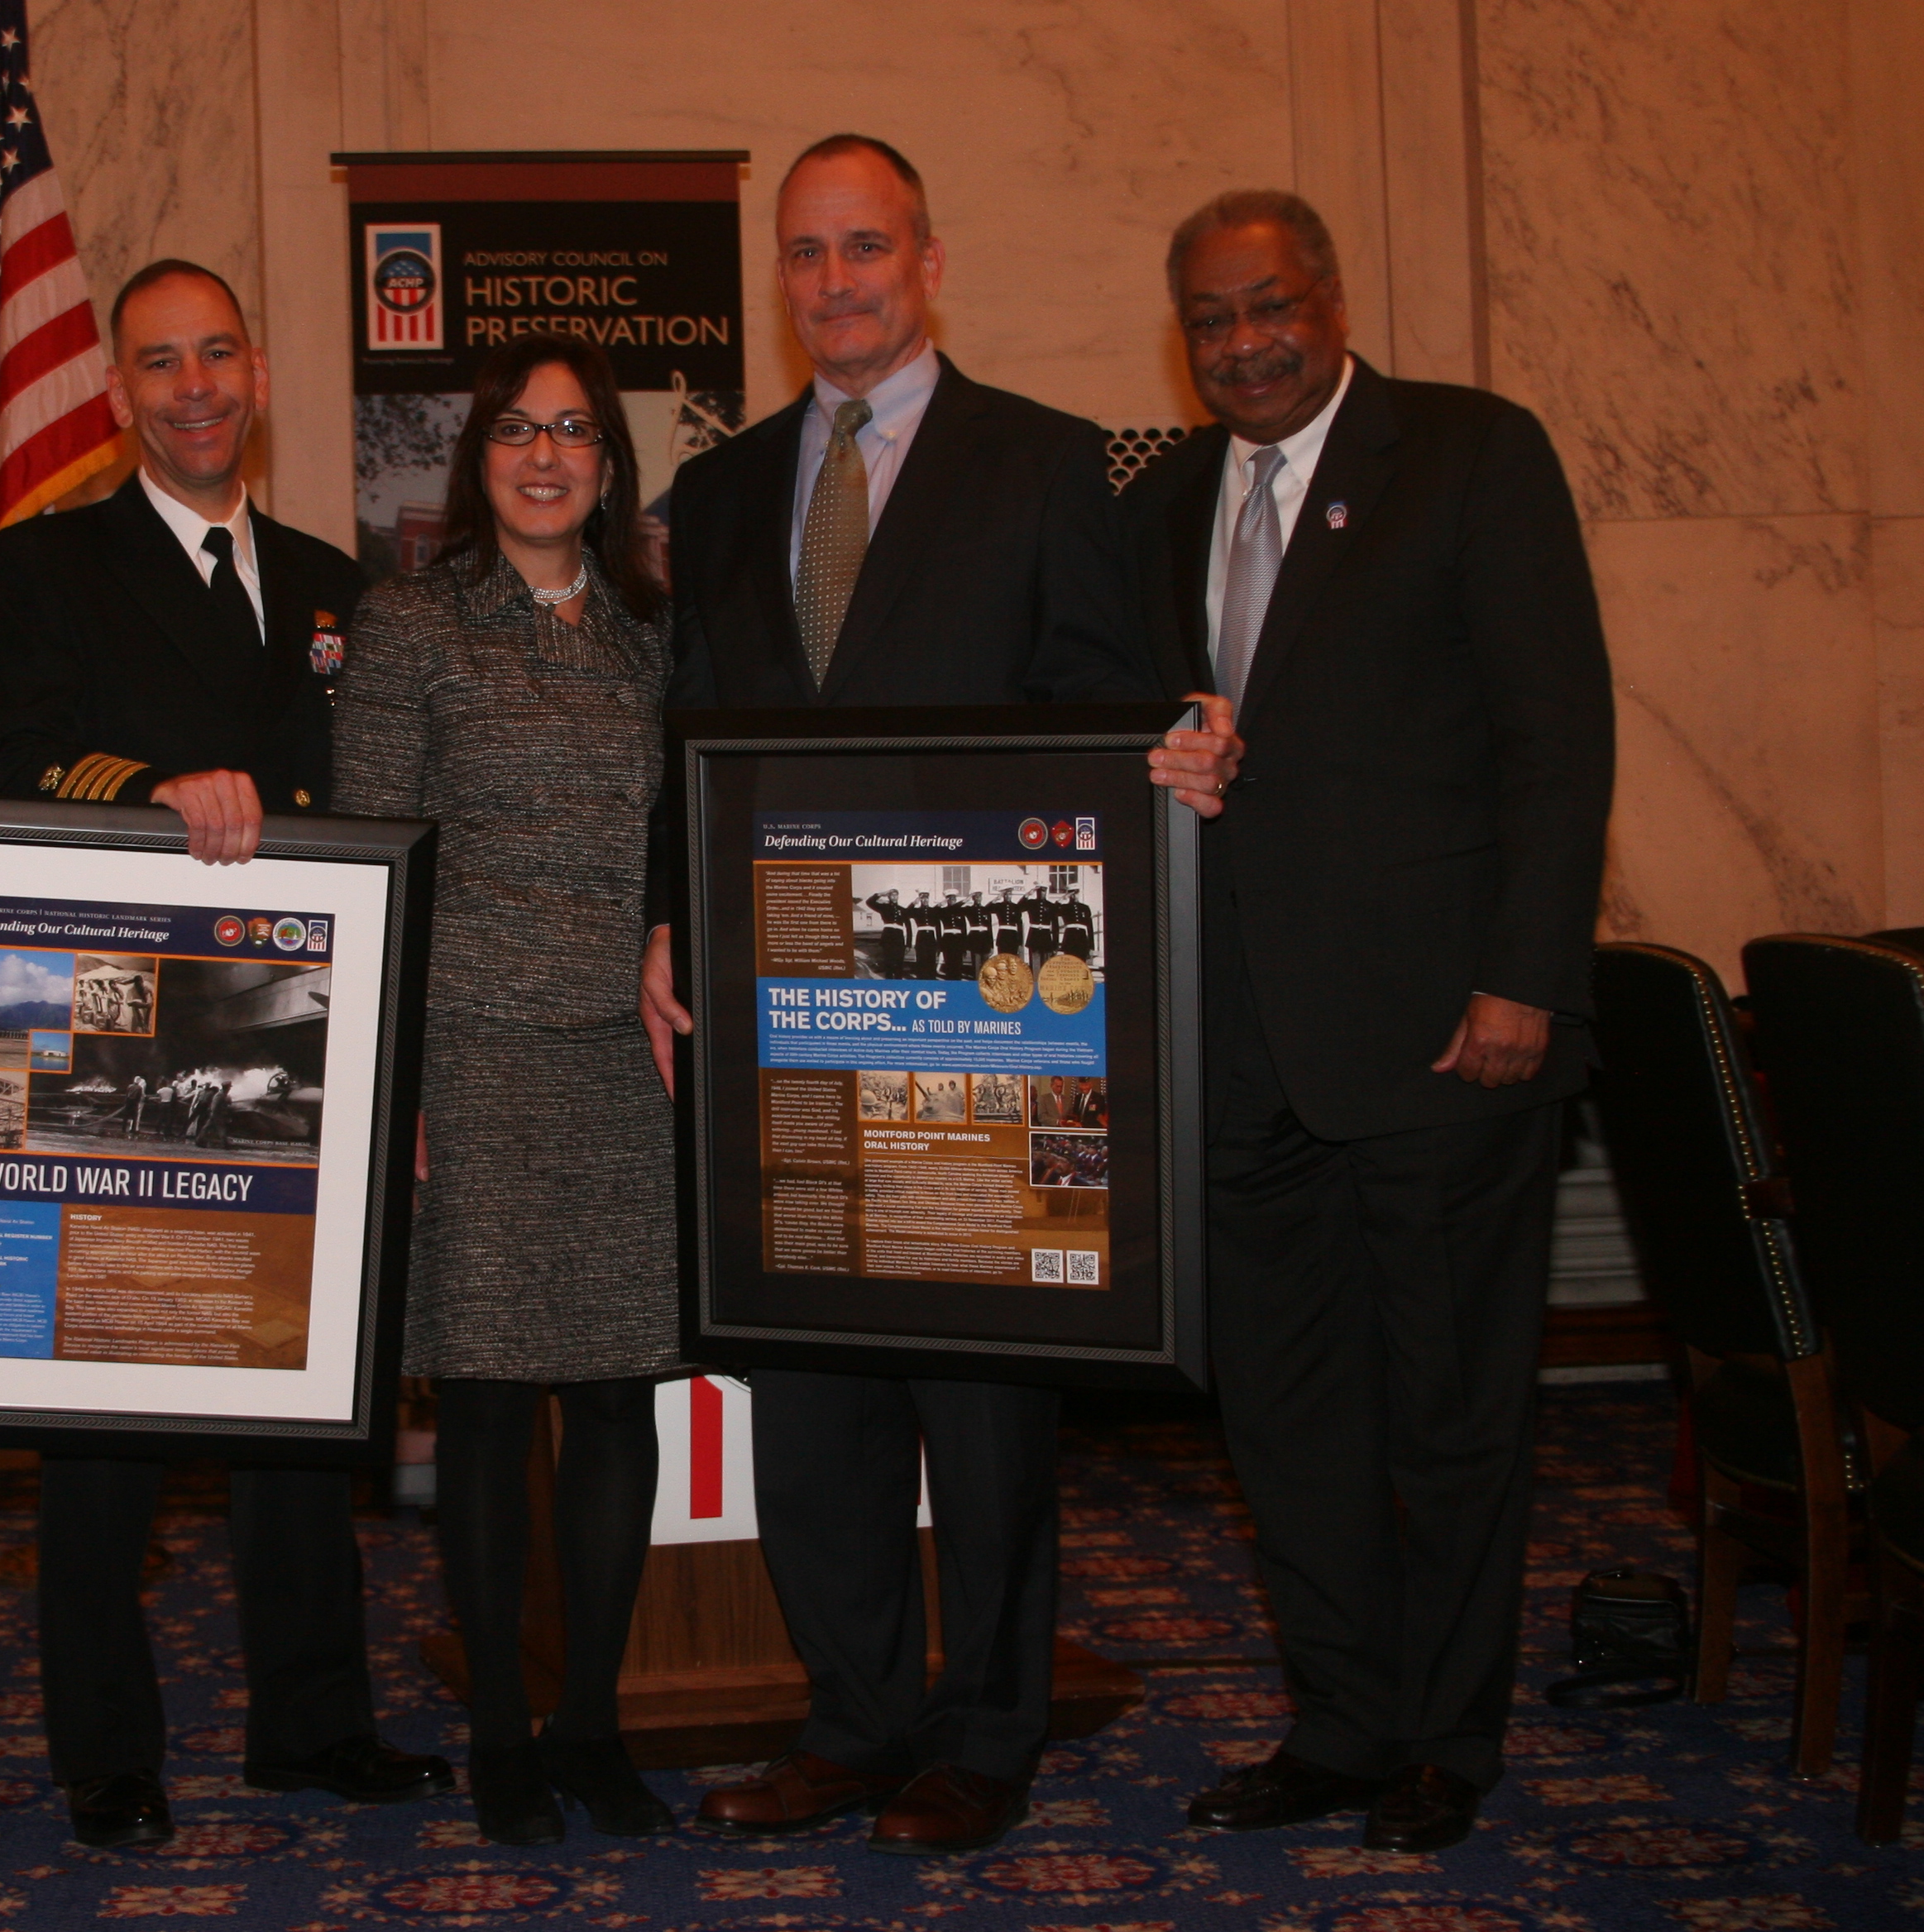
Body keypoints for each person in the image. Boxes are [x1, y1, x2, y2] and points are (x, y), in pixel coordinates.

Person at [634, 134, 1242, 1858]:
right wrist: (671, 918)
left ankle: (986, 1728)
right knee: (811, 1393)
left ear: (932, 260)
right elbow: (695, 738)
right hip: (788, 1018)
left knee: (985, 1406)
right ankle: (850, 1721)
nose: (839, 283)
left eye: (869, 249)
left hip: (990, 1022)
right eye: (809, 254)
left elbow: (1111, 710)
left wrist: (1178, 756)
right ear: (782, 278)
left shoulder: (1046, 465)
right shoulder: (731, 489)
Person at [1121, 191, 1613, 1853]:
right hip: (1239, 1050)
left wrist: (1525, 977)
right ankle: (1338, 1721)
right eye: (1210, 318)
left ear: (1329, 294)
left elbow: (1561, 736)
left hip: (1444, 1043)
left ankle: (1445, 1744)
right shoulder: (1167, 494)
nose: (1244, 340)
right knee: (1290, 1414)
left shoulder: (1472, 454)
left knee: (1452, 1414)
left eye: (1269, 304)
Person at [0, 258, 447, 1849]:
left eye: (218, 354)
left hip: (296, 1041)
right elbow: (3, 761)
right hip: (118, 1037)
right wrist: (159, 789)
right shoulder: (49, 567)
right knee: (101, 1408)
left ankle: (314, 1724)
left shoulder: (333, 585)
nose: (193, 387)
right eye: (160, 362)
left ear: (257, 371)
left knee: (304, 1410)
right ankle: (109, 1750)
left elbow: (379, 807)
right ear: (120, 390)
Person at [334, 334, 687, 1848]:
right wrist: (391, 1067)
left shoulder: (656, 636)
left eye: (577, 434)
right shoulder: (411, 622)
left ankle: (592, 1723)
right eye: (518, 433)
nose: (547, 457)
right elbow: (372, 854)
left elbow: (685, 836)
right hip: (467, 1055)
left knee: (616, 1397)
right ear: (476, 460)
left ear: (610, 465)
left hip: (622, 1062)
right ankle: (496, 1732)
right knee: (479, 1408)